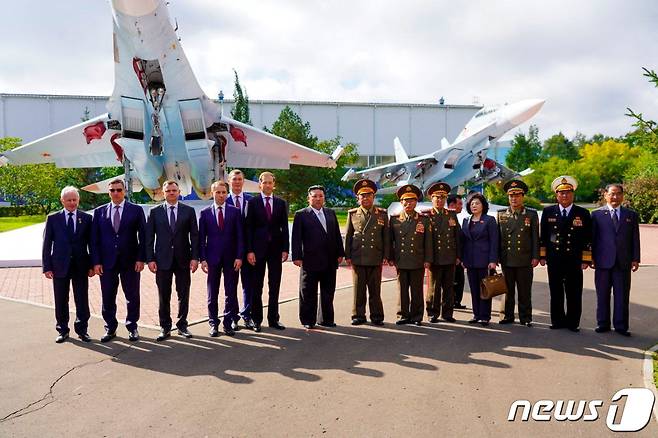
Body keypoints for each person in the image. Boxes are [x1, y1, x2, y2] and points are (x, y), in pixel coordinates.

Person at [92, 179, 146, 342]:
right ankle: (110, 328)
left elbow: (143, 236)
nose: (115, 193)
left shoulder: (136, 210)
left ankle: (132, 327)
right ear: (108, 192)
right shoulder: (99, 212)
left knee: (132, 295)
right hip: (106, 263)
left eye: (118, 190)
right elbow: (94, 240)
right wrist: (96, 262)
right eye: (112, 190)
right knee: (108, 296)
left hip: (130, 262)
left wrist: (141, 258)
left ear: (124, 191)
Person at [145, 180, 199, 341]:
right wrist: (150, 259)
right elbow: (149, 238)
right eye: (168, 190)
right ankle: (165, 327)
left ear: (179, 192)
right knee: (164, 295)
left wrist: (195, 257)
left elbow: (195, 236)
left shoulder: (188, 211)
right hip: (162, 260)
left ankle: (182, 325)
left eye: (174, 190)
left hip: (183, 259)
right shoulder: (155, 212)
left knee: (183, 294)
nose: (171, 193)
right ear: (163, 192)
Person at [539, 176, 592, 332]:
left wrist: (586, 259)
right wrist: (542, 256)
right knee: (555, 292)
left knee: (574, 292)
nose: (565, 196)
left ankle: (573, 322)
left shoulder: (582, 213)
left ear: (573, 194)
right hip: (554, 259)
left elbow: (588, 238)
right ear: (556, 195)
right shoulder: (548, 211)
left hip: (574, 259)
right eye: (561, 193)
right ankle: (557, 321)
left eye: (568, 193)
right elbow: (544, 236)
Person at [42, 186, 93, 343]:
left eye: (74, 200)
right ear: (62, 200)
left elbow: (92, 244)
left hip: (80, 266)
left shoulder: (86, 218)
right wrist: (47, 267)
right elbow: (46, 244)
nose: (72, 203)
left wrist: (91, 265)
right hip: (59, 266)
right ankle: (62, 329)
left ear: (78, 200)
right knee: (61, 299)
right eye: (69, 200)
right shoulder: (53, 219)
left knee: (82, 299)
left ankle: (82, 329)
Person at [292, 185, 345, 329]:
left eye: (320, 196)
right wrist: (296, 256)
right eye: (314, 196)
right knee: (308, 292)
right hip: (310, 260)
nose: (318, 198)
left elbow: (336, 235)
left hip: (329, 260)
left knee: (328, 292)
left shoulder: (330, 213)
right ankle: (308, 320)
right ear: (308, 198)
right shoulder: (301, 214)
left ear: (324, 198)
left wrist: (340, 253)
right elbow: (296, 238)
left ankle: (326, 319)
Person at [591, 183, 640, 337]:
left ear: (622, 196)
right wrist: (590, 258)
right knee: (602, 295)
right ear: (605, 195)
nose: (615, 197)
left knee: (622, 296)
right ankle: (602, 323)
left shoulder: (630, 215)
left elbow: (635, 239)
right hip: (602, 262)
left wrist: (635, 258)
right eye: (612, 193)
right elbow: (592, 239)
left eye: (618, 194)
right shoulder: (596, 214)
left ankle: (621, 326)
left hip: (623, 262)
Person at [245, 171, 289, 332]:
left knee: (275, 285)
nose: (268, 185)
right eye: (265, 182)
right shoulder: (253, 203)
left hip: (276, 250)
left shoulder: (280, 203)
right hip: (257, 251)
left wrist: (285, 249)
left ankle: (273, 319)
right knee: (257, 286)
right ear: (260, 185)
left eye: (270, 182)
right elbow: (248, 228)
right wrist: (249, 250)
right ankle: (256, 320)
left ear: (274, 185)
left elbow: (284, 228)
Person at [199, 180, 243, 336]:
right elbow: (201, 239)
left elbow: (240, 236)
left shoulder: (235, 211)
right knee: (213, 293)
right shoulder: (204, 213)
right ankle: (213, 324)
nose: (221, 195)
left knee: (230, 292)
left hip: (232, 259)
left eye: (224, 192)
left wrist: (239, 256)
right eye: (218, 192)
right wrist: (202, 259)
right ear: (212, 193)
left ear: (227, 193)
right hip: (212, 259)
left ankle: (227, 323)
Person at [344, 179, 389, 326]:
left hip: (375, 257)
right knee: (359, 289)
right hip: (358, 256)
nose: (366, 198)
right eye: (362, 196)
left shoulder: (382, 214)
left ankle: (377, 316)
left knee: (375, 289)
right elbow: (349, 236)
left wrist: (386, 256)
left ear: (373, 197)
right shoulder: (352, 214)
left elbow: (386, 237)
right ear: (358, 198)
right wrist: (348, 255)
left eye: (369, 195)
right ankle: (358, 315)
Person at [497, 180, 539, 327]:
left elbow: (535, 238)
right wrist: (496, 258)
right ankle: (506, 315)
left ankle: (525, 317)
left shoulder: (531, 215)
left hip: (525, 259)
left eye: (517, 195)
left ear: (523, 197)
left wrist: (535, 256)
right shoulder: (501, 214)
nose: (514, 199)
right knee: (507, 290)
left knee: (524, 290)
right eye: (511, 196)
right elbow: (498, 238)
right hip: (507, 258)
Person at [389, 184, 432, 326]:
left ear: (416, 202)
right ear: (401, 202)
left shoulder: (423, 219)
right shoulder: (394, 219)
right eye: (405, 200)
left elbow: (428, 242)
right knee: (402, 289)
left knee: (417, 289)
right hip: (401, 259)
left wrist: (427, 259)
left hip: (417, 259)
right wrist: (390, 257)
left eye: (412, 200)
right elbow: (390, 241)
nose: (409, 203)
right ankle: (403, 315)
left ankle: (416, 316)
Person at [425, 182, 461, 323]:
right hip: (434, 257)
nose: (440, 200)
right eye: (437, 198)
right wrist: (427, 258)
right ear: (432, 199)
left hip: (450, 256)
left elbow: (456, 236)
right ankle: (432, 313)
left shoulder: (451, 215)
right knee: (434, 288)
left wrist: (458, 255)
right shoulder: (427, 216)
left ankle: (447, 313)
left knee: (449, 287)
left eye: (442, 198)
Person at [460, 192, 498, 326]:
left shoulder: (489, 220)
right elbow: (463, 242)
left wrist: (493, 260)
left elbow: (494, 241)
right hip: (470, 261)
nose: (474, 205)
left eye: (477, 203)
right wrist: (463, 259)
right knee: (474, 289)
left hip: (485, 261)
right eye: (472, 203)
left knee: (485, 289)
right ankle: (476, 314)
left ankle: (485, 316)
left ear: (483, 205)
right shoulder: (466, 220)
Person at [225, 169, 255, 329]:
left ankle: (247, 315)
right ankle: (233, 316)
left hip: (248, 249)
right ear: (229, 181)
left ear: (243, 182)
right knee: (231, 285)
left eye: (240, 179)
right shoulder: (224, 199)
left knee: (248, 284)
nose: (237, 182)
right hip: (230, 251)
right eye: (234, 179)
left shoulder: (251, 201)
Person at [447, 194, 466, 309]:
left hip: (458, 256)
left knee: (459, 280)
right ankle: (452, 301)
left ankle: (456, 301)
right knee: (453, 281)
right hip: (452, 256)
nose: (461, 207)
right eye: (459, 204)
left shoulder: (455, 218)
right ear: (452, 205)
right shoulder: (449, 218)